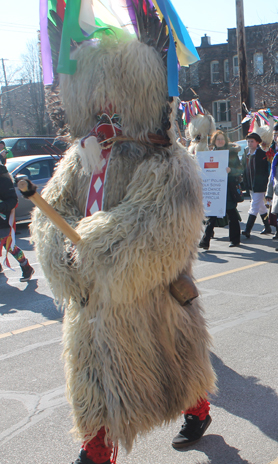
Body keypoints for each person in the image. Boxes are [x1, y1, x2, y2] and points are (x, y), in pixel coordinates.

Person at [30, 34, 215, 464]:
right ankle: (96, 448)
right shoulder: (80, 158)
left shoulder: (166, 158)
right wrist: (61, 250)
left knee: (175, 365)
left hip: (149, 296)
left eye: (114, 97)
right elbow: (52, 208)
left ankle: (198, 408)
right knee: (91, 374)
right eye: (97, 98)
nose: (105, 108)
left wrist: (101, 243)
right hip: (90, 297)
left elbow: (164, 221)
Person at [199, 130, 243, 249]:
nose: (220, 141)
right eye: (218, 139)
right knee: (212, 215)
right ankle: (205, 240)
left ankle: (235, 239)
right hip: (215, 188)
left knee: (232, 214)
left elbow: (240, 169)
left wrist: (231, 171)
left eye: (222, 139)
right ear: (214, 141)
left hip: (228, 188)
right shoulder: (210, 155)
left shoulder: (231, 154)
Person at [0, 164, 34, 281]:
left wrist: (1, 206)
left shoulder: (3, 180)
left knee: (9, 245)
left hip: (3, 219)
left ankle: (26, 267)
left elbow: (13, 200)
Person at [242, 132, 272, 237]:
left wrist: (265, 183)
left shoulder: (262, 153)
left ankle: (247, 230)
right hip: (250, 185)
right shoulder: (246, 152)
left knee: (254, 206)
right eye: (248, 141)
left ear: (257, 142)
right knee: (261, 207)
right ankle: (268, 226)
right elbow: (244, 168)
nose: (250, 143)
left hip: (260, 185)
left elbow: (266, 170)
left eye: (252, 141)